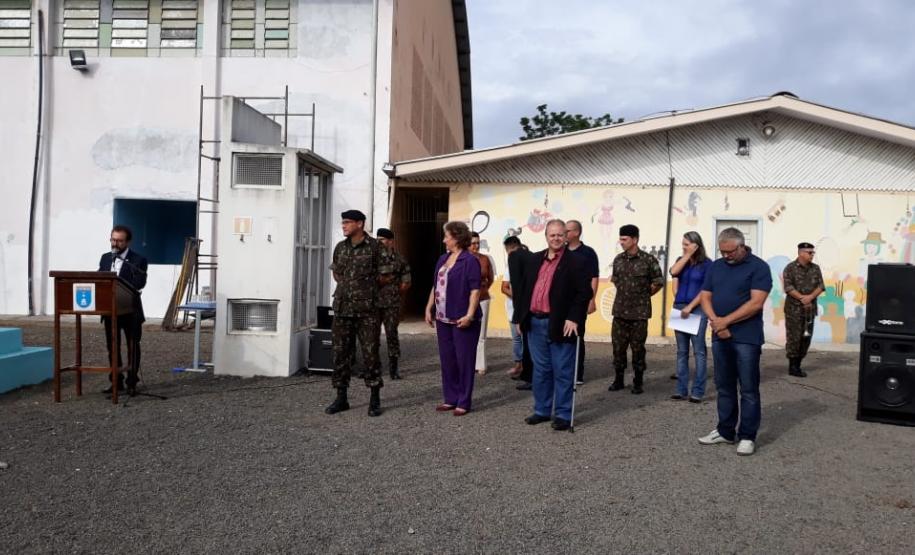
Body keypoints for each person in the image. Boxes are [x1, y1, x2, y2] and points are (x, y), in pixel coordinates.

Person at [698, 227, 772, 456]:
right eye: (722, 252)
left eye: (730, 251)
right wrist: (715, 321)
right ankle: (725, 430)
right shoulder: (716, 266)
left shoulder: (759, 267)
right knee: (724, 385)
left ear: (742, 246)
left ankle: (748, 435)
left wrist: (725, 322)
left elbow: (756, 303)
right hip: (720, 336)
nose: (726, 256)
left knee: (748, 388)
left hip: (746, 338)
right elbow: (705, 296)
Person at [519, 219, 592, 431]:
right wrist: (520, 318)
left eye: (560, 234)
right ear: (546, 236)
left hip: (561, 324)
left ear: (566, 236)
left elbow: (584, 293)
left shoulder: (577, 261)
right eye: (552, 235)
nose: (557, 238)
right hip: (534, 322)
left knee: (563, 370)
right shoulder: (534, 260)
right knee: (540, 370)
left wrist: (574, 318)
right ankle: (542, 411)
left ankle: (562, 414)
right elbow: (524, 290)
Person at [325, 210, 392, 417]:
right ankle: (341, 397)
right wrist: (348, 286)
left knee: (370, 354)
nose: (343, 225)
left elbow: (386, 275)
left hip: (367, 310)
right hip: (343, 308)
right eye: (343, 222)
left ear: (360, 224)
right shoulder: (340, 247)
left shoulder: (375, 248)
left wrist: (366, 290)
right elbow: (336, 272)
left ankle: (374, 399)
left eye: (348, 222)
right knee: (340, 353)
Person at [425, 221, 482, 416]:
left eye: (446, 236)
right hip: (443, 319)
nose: (444, 240)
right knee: (447, 359)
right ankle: (450, 398)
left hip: (462, 319)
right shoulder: (443, 259)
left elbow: (476, 289)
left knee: (464, 360)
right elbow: (436, 284)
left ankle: (464, 401)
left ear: (456, 238)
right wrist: (429, 306)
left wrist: (470, 315)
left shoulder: (470, 260)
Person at [608, 224, 664, 394]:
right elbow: (615, 280)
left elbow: (658, 282)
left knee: (638, 349)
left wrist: (644, 296)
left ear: (635, 240)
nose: (621, 242)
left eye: (625, 239)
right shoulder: (618, 259)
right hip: (620, 312)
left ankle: (638, 381)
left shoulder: (648, 260)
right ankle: (618, 379)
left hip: (639, 313)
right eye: (621, 239)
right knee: (618, 348)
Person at [98, 225, 147, 397]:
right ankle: (116, 382)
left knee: (133, 346)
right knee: (113, 347)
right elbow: (99, 279)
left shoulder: (138, 260)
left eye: (119, 240)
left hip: (130, 311)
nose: (115, 243)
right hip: (110, 311)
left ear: (128, 242)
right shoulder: (105, 258)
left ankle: (132, 382)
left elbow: (139, 283)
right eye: (113, 239)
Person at [668, 231, 712, 402]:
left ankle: (698, 390)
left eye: (687, 244)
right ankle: (681, 389)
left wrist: (691, 306)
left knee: (699, 351)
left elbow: (706, 289)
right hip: (680, 307)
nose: (683, 246)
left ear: (696, 245)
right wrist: (686, 256)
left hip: (697, 308)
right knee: (681, 351)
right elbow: (673, 273)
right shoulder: (682, 261)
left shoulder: (708, 264)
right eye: (683, 244)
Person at [565, 220, 599, 385]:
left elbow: (594, 277)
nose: (564, 234)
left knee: (577, 335)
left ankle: (577, 373)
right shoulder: (561, 251)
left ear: (577, 232)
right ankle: (564, 370)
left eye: (567, 231)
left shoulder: (588, 253)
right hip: (562, 301)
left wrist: (591, 299)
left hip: (580, 301)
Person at [782, 242, 825, 377]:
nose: (812, 255)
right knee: (794, 338)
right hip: (794, 310)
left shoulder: (815, 268)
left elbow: (821, 286)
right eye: (809, 252)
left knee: (806, 338)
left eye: (813, 253)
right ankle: (793, 366)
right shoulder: (790, 268)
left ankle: (799, 363)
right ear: (801, 253)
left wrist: (810, 297)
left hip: (809, 310)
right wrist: (802, 298)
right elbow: (788, 287)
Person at [376, 228, 412, 380]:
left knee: (391, 334)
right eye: (377, 239)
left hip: (391, 304)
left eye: (382, 239)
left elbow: (406, 282)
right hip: (373, 303)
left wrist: (394, 293)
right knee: (371, 336)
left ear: (391, 241)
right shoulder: (372, 258)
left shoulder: (399, 259)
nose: (379, 242)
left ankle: (393, 368)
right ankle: (372, 367)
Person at [469, 232, 495, 375]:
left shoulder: (485, 259)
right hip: (465, 301)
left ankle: (480, 365)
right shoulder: (462, 259)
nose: (476, 246)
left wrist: (482, 289)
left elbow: (490, 278)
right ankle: (467, 363)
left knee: (481, 334)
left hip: (483, 298)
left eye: (478, 243)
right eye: (473, 243)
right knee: (466, 332)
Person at [501, 236, 524, 378]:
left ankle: (527, 368)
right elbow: (504, 287)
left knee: (526, 339)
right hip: (513, 309)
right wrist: (519, 298)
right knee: (517, 338)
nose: (509, 255)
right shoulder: (510, 264)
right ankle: (518, 365)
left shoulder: (527, 261)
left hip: (525, 309)